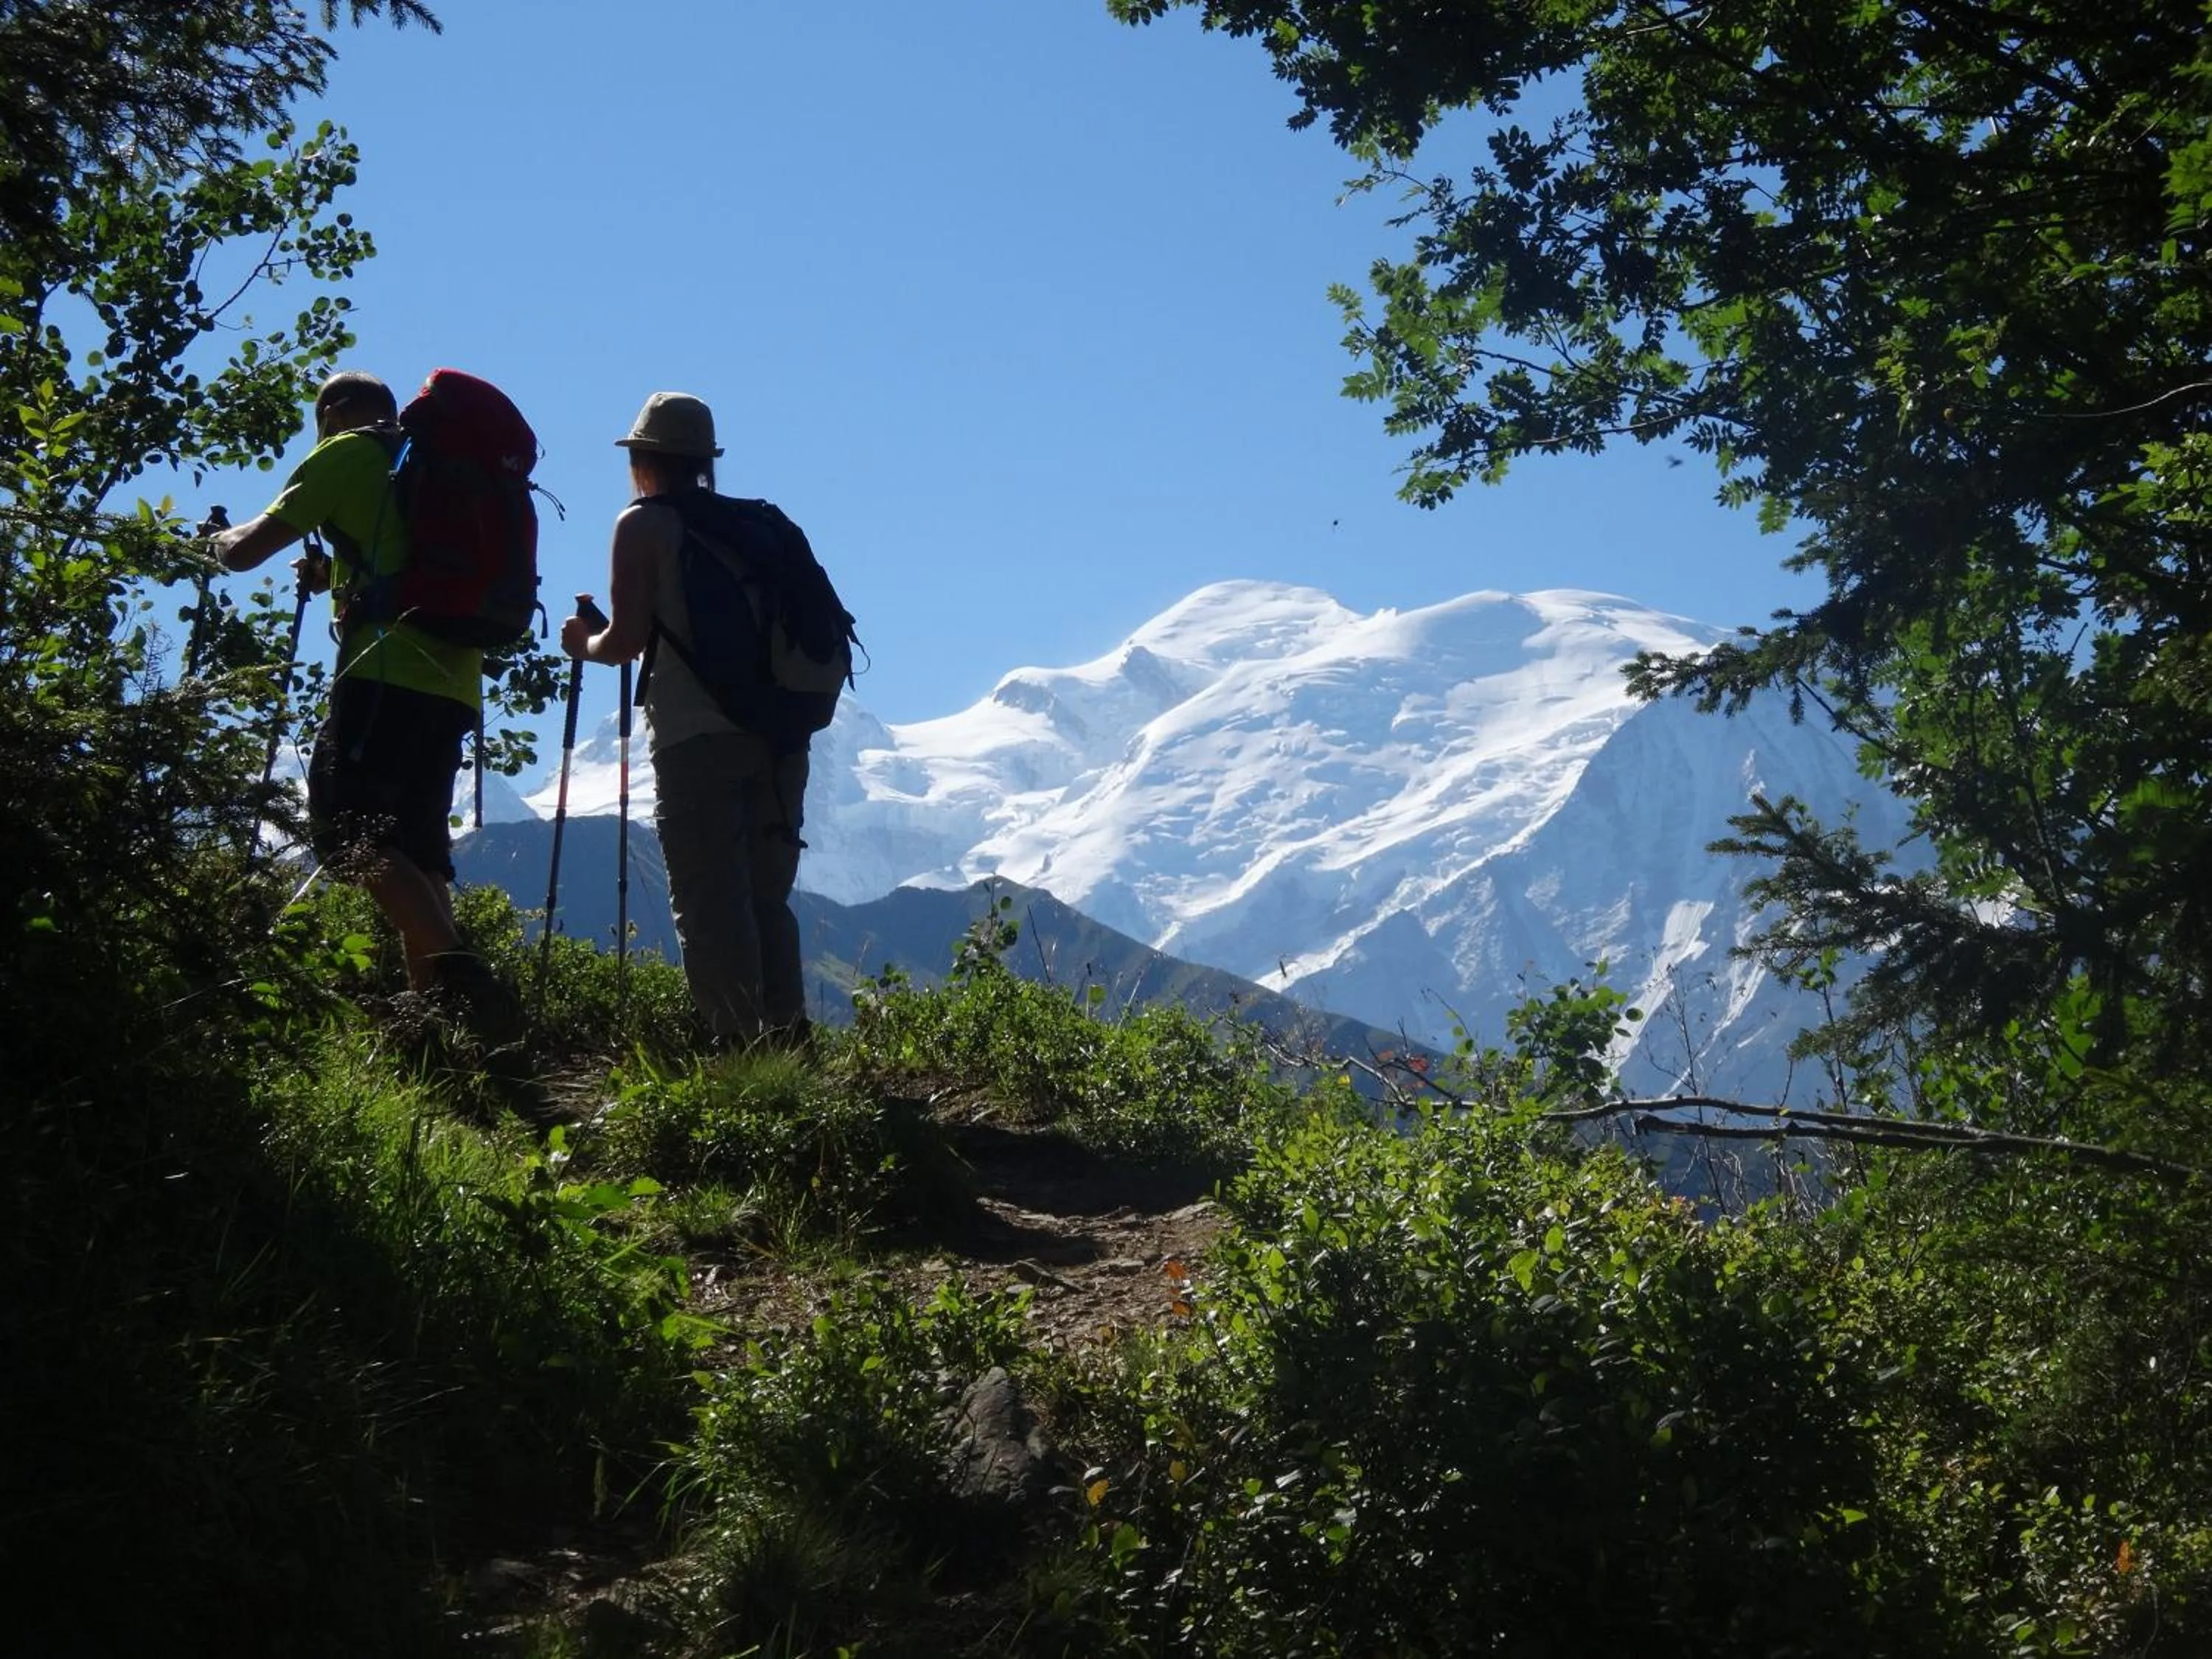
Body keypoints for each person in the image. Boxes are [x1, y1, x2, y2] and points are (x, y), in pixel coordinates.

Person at [210, 370, 520, 1042]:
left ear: (333, 412)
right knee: (418, 850)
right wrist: (336, 577)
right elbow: (405, 560)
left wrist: (215, 540)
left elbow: (246, 551)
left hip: (382, 673)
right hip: (455, 681)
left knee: (348, 836)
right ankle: (430, 1022)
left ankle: (463, 972)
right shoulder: (428, 463)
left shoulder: (347, 452)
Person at [560, 391, 813, 1051]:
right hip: (781, 738)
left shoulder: (642, 525)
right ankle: (790, 1045)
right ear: (705, 461)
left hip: (695, 737)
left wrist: (582, 643)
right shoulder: (762, 527)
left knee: (710, 901)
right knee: (766, 898)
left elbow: (624, 643)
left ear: (642, 460)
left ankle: (738, 1052)